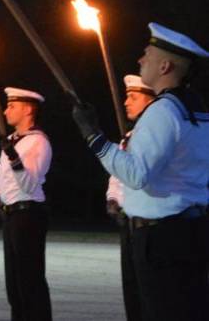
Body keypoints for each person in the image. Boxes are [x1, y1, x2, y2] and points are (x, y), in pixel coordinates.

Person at [74, 23, 209, 321]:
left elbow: (136, 175)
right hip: (191, 230)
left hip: (162, 238)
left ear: (165, 66)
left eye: (147, 54)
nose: (140, 59)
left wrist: (93, 136)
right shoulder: (196, 109)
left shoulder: (163, 110)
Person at [0, 87, 53, 321]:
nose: (6, 111)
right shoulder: (12, 140)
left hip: (28, 214)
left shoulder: (38, 141)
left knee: (29, 281)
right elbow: (1, 175)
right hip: (12, 215)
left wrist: (14, 158)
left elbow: (28, 183)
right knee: (14, 284)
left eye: (11, 106)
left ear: (27, 110)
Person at [103, 75, 156, 321]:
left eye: (133, 97)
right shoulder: (129, 136)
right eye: (126, 97)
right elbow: (117, 176)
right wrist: (113, 199)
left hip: (149, 224)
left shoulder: (153, 134)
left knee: (149, 295)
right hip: (128, 222)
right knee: (131, 289)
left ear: (151, 101)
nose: (126, 102)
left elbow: (141, 176)